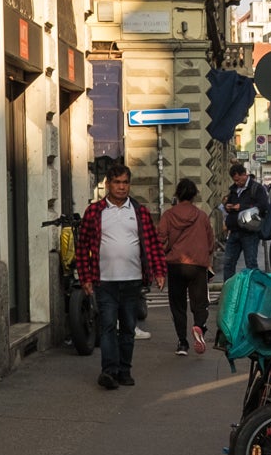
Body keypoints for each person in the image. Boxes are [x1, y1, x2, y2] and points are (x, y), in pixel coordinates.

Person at [74, 160, 167, 389]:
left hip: (132, 280)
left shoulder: (139, 212)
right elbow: (82, 246)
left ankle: (124, 370)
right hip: (104, 281)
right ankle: (109, 371)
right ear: (108, 184)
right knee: (106, 326)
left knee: (127, 328)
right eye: (116, 182)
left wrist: (159, 271)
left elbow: (152, 244)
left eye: (125, 183)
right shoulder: (95, 212)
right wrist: (85, 277)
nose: (121, 187)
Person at [159, 178, 216, 355]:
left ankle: (182, 343)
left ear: (177, 194)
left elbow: (160, 239)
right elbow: (211, 243)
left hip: (175, 264)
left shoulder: (168, 215)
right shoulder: (202, 216)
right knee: (200, 302)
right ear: (194, 195)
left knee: (177, 304)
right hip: (197, 265)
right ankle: (198, 326)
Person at [221, 161, 269, 277]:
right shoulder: (233, 189)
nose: (237, 183)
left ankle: (253, 291)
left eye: (238, 179)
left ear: (244, 175)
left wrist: (242, 207)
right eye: (235, 180)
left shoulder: (257, 188)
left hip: (249, 231)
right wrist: (228, 206)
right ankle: (229, 289)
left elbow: (263, 206)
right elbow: (230, 203)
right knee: (228, 263)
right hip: (234, 230)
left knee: (251, 263)